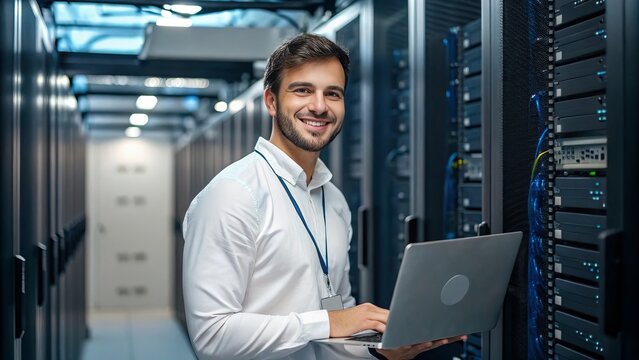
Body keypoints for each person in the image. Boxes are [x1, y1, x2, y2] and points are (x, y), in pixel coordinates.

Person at [182, 33, 464, 360]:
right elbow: (211, 337)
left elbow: (331, 338)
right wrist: (327, 322)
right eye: (302, 90)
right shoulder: (232, 195)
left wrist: (380, 353)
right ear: (271, 101)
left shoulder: (335, 201)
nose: (319, 106)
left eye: (333, 94)